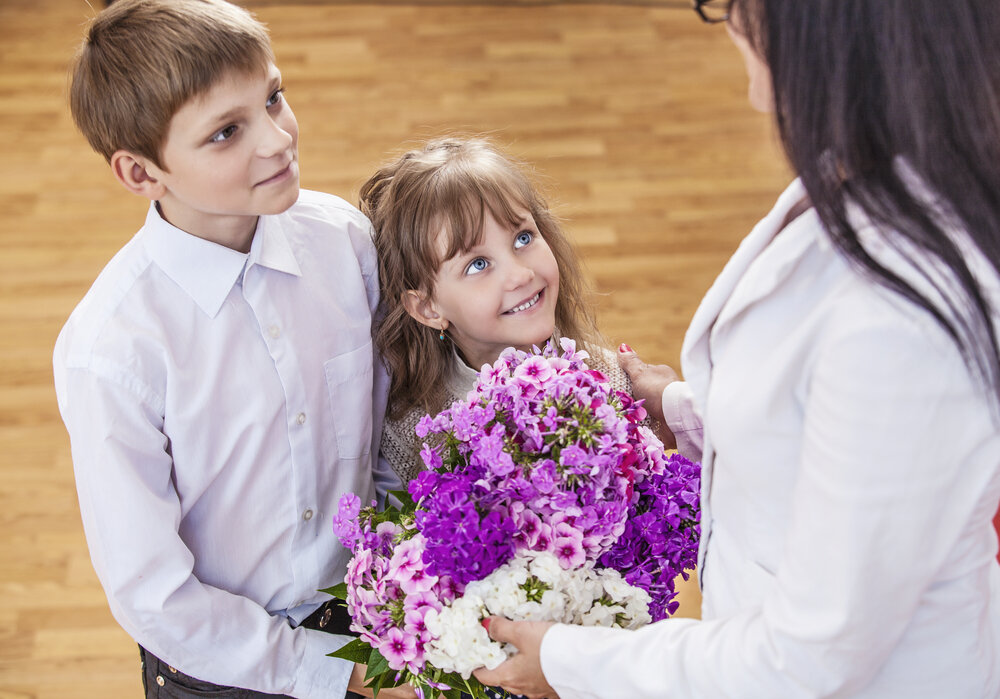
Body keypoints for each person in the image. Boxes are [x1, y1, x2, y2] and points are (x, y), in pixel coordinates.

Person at [473, 0, 1000, 697]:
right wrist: (682, 411)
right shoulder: (864, 169)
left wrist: (570, 661)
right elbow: (832, 423)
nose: (728, 23)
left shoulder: (904, 324)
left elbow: (808, 657)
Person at [53, 1, 411, 696]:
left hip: (371, 618)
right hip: (221, 667)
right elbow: (153, 592)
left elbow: (386, 428)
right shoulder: (111, 352)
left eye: (274, 98)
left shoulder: (343, 241)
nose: (277, 140)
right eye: (226, 132)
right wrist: (329, 672)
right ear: (140, 173)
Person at [359, 136, 652, 488]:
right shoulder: (410, 433)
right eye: (478, 263)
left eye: (523, 238)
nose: (521, 275)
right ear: (427, 308)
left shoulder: (614, 388)